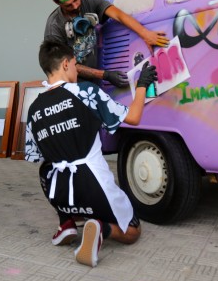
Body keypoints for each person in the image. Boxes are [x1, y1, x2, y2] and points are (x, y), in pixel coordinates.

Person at [24, 40, 157, 268]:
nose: (76, 70)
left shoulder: (34, 107)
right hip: (92, 182)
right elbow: (133, 118)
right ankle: (100, 228)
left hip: (60, 194)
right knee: (133, 230)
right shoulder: (85, 92)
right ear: (66, 64)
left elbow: (35, 156)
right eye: (75, 65)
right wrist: (142, 84)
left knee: (48, 168)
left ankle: (66, 222)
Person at [43, 0, 168, 87]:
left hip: (96, 83)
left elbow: (118, 15)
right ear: (56, 2)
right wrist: (105, 75)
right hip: (73, 87)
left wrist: (145, 34)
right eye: (68, 5)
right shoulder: (54, 27)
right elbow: (64, 66)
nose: (76, 6)